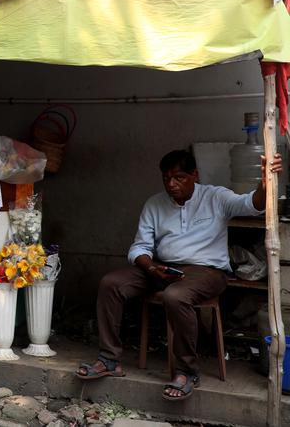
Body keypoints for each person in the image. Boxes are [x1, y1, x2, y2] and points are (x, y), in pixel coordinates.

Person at [77, 148, 283, 401]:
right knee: (111, 283)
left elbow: (252, 205)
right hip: (161, 267)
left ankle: (186, 371)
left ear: (195, 175)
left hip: (207, 271)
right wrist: (151, 267)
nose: (171, 184)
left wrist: (264, 182)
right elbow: (140, 246)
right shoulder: (154, 203)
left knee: (175, 296)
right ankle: (109, 359)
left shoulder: (215, 197)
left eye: (179, 177)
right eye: (166, 178)